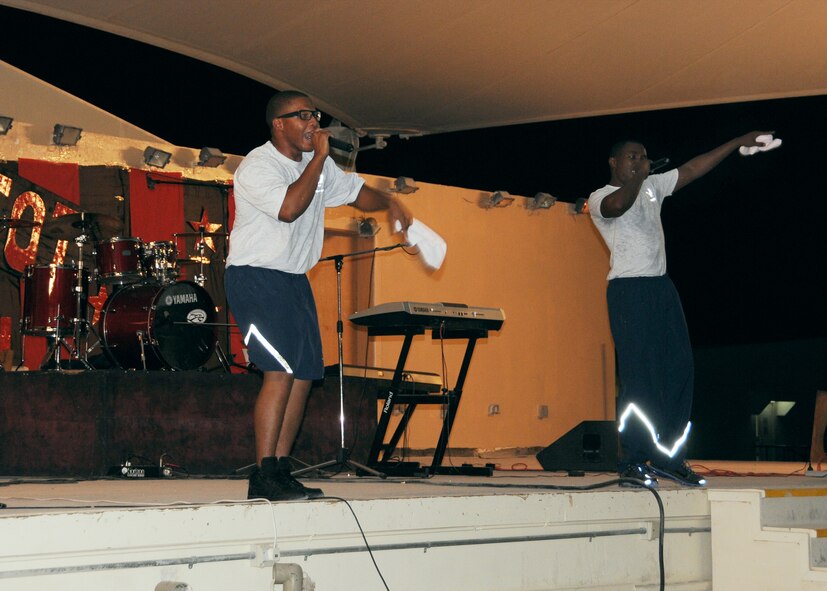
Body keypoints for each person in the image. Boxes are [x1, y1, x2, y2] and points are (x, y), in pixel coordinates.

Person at [225, 91, 412, 501]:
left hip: (293, 279)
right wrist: (319, 161)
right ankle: (263, 475)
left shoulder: (318, 167)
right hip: (256, 276)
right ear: (280, 124)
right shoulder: (258, 166)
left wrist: (389, 202)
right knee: (280, 371)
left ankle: (280, 469)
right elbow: (290, 207)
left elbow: (358, 192)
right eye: (304, 116)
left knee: (306, 375)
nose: (314, 122)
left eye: (316, 115)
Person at [588, 131, 772, 488]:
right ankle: (632, 460)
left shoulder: (653, 186)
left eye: (643, 156)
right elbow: (619, 207)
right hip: (630, 290)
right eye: (632, 157)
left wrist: (736, 142)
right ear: (614, 162)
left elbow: (693, 168)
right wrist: (641, 178)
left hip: (661, 287)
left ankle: (667, 457)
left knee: (678, 369)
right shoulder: (601, 197)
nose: (640, 161)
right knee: (641, 378)